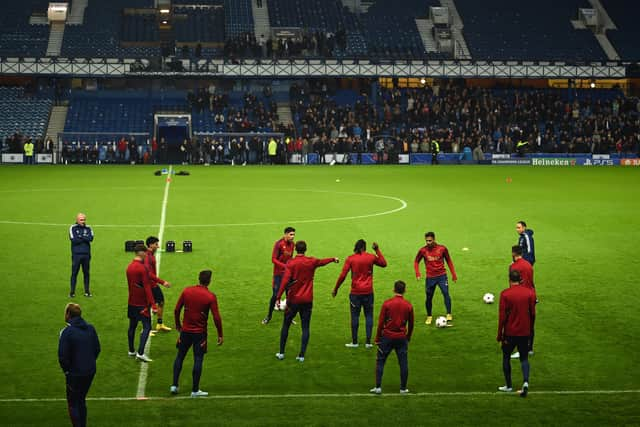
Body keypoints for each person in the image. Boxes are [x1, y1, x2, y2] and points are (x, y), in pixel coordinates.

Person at [275, 241, 339, 362]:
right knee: (305, 327)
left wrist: (278, 297)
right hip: (307, 300)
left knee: (286, 325)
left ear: (295, 250)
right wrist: (333, 259)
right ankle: (301, 356)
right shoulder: (311, 261)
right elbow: (322, 262)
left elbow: (284, 281)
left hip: (293, 300)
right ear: (305, 249)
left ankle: (282, 353)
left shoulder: (291, 263)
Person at [171, 270, 223, 398]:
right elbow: (216, 318)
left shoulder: (187, 291)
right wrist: (220, 334)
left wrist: (178, 325)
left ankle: (174, 385)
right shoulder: (210, 296)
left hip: (185, 332)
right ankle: (195, 390)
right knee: (198, 359)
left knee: (180, 357)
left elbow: (177, 309)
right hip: (199, 334)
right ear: (209, 281)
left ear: (199, 279)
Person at [333, 239, 387, 348]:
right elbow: (383, 263)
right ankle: (368, 342)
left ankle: (354, 342)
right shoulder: (371, 257)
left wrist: (336, 288)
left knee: (355, 316)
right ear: (364, 247)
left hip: (355, 293)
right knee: (369, 316)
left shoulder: (351, 259)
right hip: (368, 292)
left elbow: (343, 275)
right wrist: (377, 250)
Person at [58, 303, 100, 427]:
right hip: (90, 371)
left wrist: (67, 371)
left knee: (73, 403)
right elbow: (97, 349)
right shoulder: (91, 328)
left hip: (75, 374)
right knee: (81, 400)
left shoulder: (67, 332)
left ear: (68, 315)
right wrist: (89, 362)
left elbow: (62, 356)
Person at [370, 280, 414, 395]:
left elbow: (380, 323)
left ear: (393, 290)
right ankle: (403, 388)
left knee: (380, 361)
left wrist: (377, 338)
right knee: (403, 362)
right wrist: (408, 337)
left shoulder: (387, 304)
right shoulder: (408, 305)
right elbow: (412, 324)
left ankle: (378, 387)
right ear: (405, 290)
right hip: (401, 338)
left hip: (387, 337)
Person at [497, 270, 536, 398]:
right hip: (525, 332)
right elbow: (533, 314)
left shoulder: (505, 294)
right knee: (524, 358)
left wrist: (499, 334)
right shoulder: (529, 293)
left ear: (509, 280)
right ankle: (525, 382)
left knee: (506, 356)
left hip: (510, 332)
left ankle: (508, 386)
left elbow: (502, 316)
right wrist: (530, 329)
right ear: (520, 279)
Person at [413, 231, 457, 324]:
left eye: (430, 240)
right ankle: (429, 316)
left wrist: (453, 274)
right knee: (429, 297)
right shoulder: (423, 250)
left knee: (446, 293)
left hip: (442, 276)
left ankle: (449, 314)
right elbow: (416, 261)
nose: (428, 243)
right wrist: (417, 273)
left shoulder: (442, 249)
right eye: (427, 241)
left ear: (434, 239)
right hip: (430, 278)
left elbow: (449, 261)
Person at [126, 244, 157, 363]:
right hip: (142, 304)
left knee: (132, 326)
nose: (146, 255)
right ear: (141, 253)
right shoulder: (142, 268)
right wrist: (153, 305)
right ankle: (140, 353)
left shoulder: (129, 267)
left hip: (131, 302)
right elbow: (147, 287)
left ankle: (131, 350)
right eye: (145, 252)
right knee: (147, 327)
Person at [262, 227, 296, 325]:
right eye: (291, 234)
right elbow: (273, 259)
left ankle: (289, 317)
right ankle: (269, 316)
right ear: (285, 234)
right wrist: (285, 266)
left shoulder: (292, 244)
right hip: (278, 274)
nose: (292, 237)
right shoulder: (279, 244)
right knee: (275, 295)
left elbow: (290, 257)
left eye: (293, 235)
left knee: (289, 295)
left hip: (288, 274)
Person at [509, 245, 536, 358]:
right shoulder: (529, 265)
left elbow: (512, 285)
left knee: (519, 323)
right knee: (530, 322)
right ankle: (529, 348)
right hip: (531, 296)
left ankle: (521, 350)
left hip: (520, 298)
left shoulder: (514, 266)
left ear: (513, 254)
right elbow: (531, 281)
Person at [145, 236, 172, 333]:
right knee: (147, 306)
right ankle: (146, 328)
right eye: (156, 244)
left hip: (153, 284)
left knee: (160, 302)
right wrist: (163, 282)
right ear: (151, 245)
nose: (158, 246)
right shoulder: (147, 257)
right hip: (149, 285)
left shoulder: (151, 254)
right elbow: (149, 273)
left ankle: (159, 324)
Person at [69, 213, 94, 297]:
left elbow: (91, 238)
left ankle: (87, 291)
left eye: (84, 219)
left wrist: (80, 236)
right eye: (81, 220)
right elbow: (74, 240)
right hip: (76, 255)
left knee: (86, 273)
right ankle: (72, 292)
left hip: (86, 255)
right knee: (74, 273)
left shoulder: (89, 228)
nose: (83, 221)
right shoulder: (72, 228)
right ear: (77, 220)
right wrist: (84, 237)